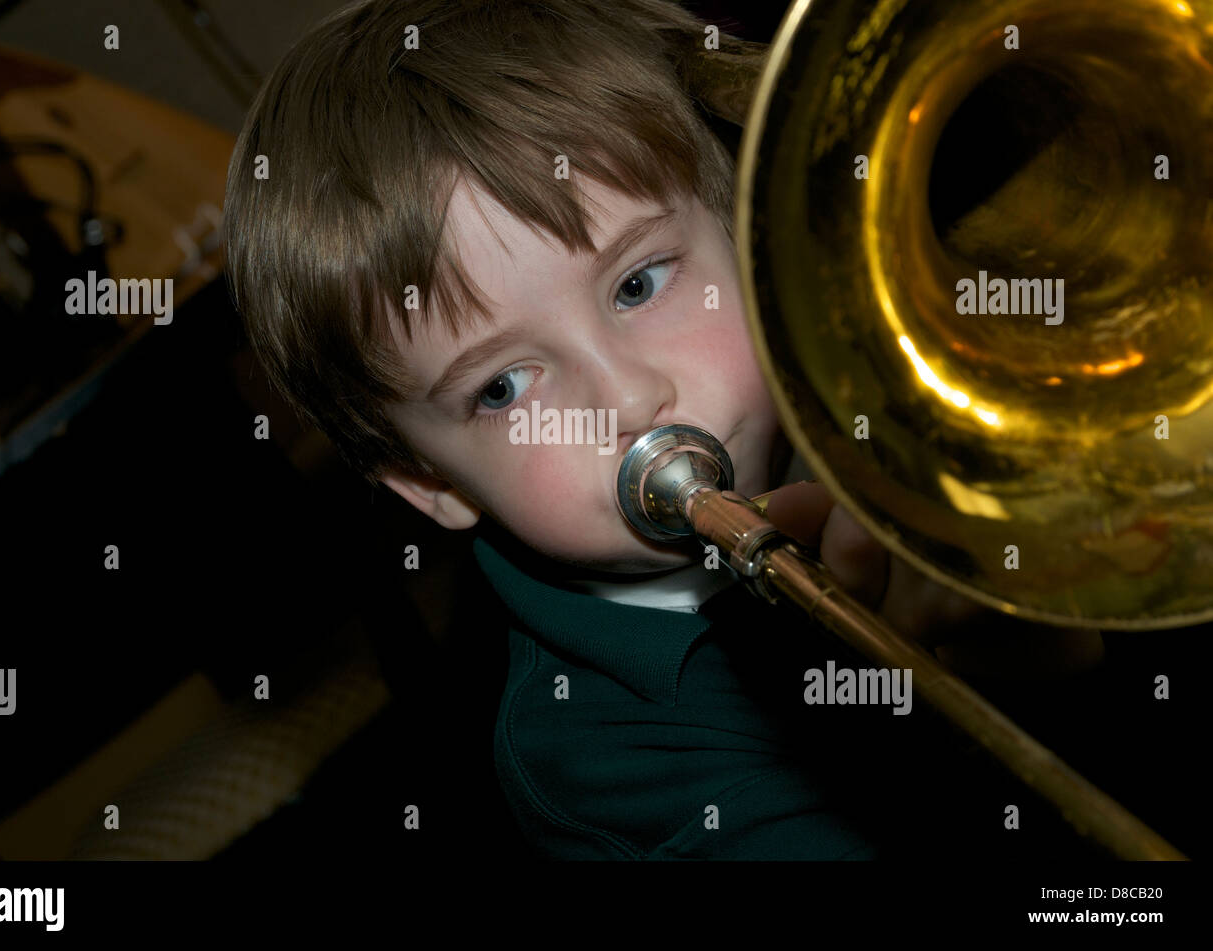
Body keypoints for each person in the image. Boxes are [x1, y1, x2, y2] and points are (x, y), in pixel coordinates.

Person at [223, 0, 1102, 859]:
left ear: (740, 235)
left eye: (638, 285)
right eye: (502, 387)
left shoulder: (895, 397)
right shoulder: (603, 768)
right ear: (429, 483)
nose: (626, 400)